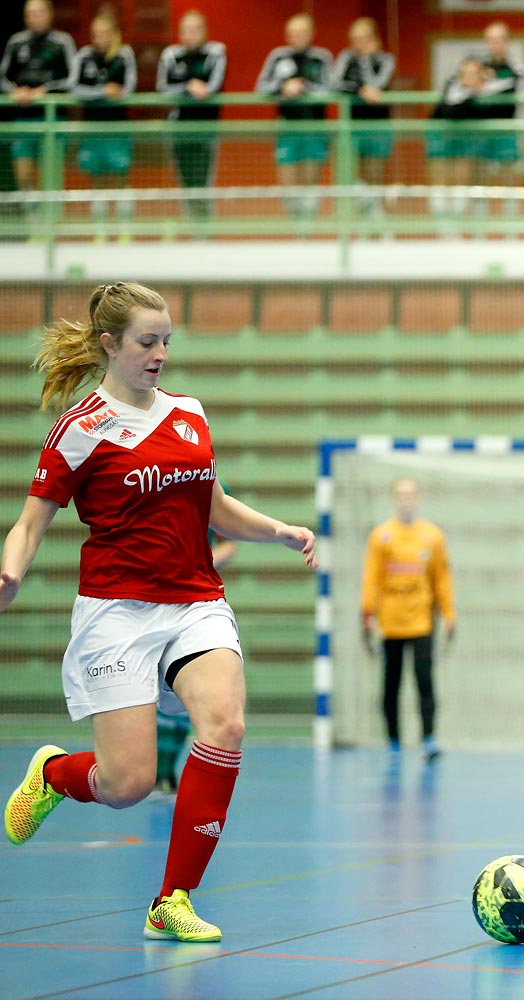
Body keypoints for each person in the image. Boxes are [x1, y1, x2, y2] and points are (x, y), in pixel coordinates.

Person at [2, 282, 318, 943]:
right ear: (111, 344)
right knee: (128, 783)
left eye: (167, 341)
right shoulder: (80, 430)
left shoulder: (189, 415)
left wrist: (281, 531)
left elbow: (216, 506)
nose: (160, 354)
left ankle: (172, 898)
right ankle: (57, 773)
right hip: (117, 612)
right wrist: (10, 572)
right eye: (148, 342)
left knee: (225, 725)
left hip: (194, 603)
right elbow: (31, 524)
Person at [361, 477, 455, 762]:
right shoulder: (381, 537)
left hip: (421, 621)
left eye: (411, 494)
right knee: (391, 684)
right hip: (391, 623)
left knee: (424, 681)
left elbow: (441, 578)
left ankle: (429, 737)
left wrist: (449, 613)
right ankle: (393, 741)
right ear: (394, 498)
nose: (406, 499)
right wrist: (368, 612)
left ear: (418, 498)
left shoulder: (432, 537)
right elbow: (372, 578)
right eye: (401, 494)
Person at [155, 527, 236, 797]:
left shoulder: (212, 485)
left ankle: (166, 772)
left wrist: (196, 562)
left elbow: (229, 545)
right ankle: (152, 771)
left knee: (186, 701)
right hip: (145, 605)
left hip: (194, 606)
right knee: (150, 698)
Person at [1, 0, 76, 221]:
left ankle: (50, 222)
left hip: (52, 119)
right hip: (23, 119)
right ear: (25, 17)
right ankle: (31, 220)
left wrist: (44, 91)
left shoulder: (62, 42)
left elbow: (72, 78)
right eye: (30, 14)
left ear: (50, 14)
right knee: (23, 174)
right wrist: (16, 92)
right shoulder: (16, 42)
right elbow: (3, 77)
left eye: (39, 12)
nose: (35, 18)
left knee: (50, 175)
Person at [256, 14, 334, 223]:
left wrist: (304, 88)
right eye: (292, 33)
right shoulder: (277, 56)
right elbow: (261, 87)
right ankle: (295, 226)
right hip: (287, 128)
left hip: (315, 128)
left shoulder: (321, 57)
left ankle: (307, 227)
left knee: (311, 182)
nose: (296, 37)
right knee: (289, 184)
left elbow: (331, 89)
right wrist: (283, 87)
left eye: (301, 33)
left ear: (311, 34)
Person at [157, 11, 228, 224]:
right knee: (186, 181)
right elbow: (162, 88)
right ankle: (190, 227)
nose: (190, 34)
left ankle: (205, 229)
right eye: (186, 30)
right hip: (179, 128)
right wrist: (188, 87)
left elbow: (213, 87)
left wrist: (202, 89)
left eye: (195, 29)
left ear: (204, 31)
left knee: (204, 181)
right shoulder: (170, 55)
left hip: (207, 129)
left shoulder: (216, 52)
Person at [70, 15, 137, 234]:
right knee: (96, 175)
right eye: (96, 34)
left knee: (120, 173)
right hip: (92, 127)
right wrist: (102, 91)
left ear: (114, 33)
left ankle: (124, 226)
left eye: (104, 33)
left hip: (117, 127)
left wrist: (115, 93)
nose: (100, 38)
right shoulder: (84, 56)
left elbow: (128, 89)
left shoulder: (124, 54)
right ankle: (100, 228)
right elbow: (73, 88)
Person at [331, 18, 396, 224]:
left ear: (375, 39)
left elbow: (377, 85)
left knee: (373, 174)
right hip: (351, 125)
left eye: (364, 39)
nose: (358, 44)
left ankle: (373, 222)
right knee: (348, 174)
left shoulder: (386, 59)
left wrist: (366, 60)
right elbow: (335, 83)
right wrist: (358, 89)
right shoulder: (346, 57)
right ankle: (367, 220)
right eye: (355, 39)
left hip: (378, 125)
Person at [426, 57, 486, 235]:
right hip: (441, 136)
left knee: (463, 177)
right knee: (439, 180)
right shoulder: (450, 88)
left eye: (473, 74)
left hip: (466, 140)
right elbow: (443, 111)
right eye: (465, 74)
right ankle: (441, 228)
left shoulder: (485, 94)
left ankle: (459, 226)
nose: (468, 78)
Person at [474, 22, 524, 218]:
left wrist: (487, 82)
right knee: (480, 175)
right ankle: (480, 227)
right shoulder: (478, 66)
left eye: (500, 39)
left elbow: (514, 85)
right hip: (482, 127)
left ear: (507, 41)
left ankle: (510, 227)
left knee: (508, 177)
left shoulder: (517, 66)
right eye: (492, 40)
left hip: (506, 127)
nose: (496, 44)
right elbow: (471, 87)